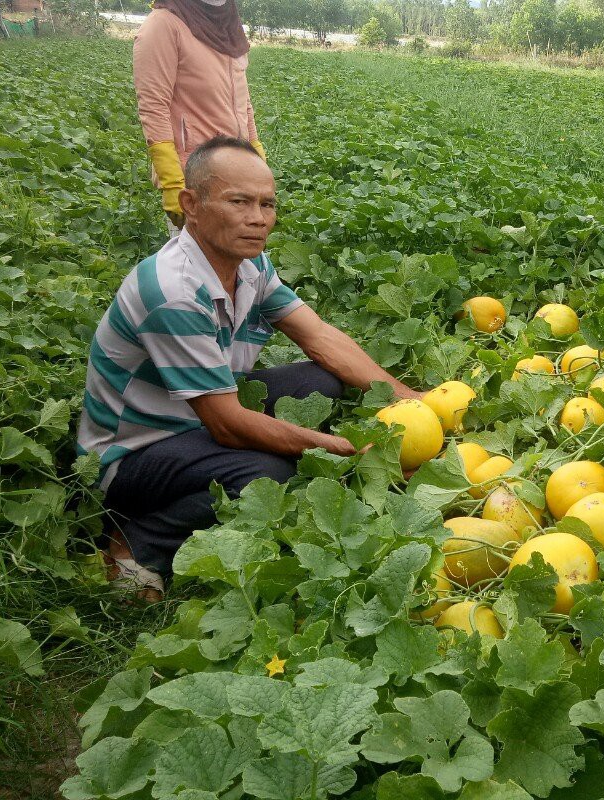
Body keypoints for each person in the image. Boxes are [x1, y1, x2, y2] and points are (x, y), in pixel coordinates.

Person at [79, 136, 422, 600]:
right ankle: (136, 545)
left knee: (322, 379)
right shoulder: (173, 292)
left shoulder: (250, 264)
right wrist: (337, 450)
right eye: (239, 201)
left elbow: (318, 336)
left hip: (203, 409)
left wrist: (413, 401)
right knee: (267, 475)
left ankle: (193, 503)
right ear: (191, 205)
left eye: (267, 204)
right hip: (135, 452)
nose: (258, 218)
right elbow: (227, 426)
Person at [133, 0, 264, 233]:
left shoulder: (228, 27)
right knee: (195, 266)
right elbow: (154, 107)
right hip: (196, 179)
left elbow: (244, 103)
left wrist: (256, 156)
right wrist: (173, 182)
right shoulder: (163, 25)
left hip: (237, 173)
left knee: (241, 262)